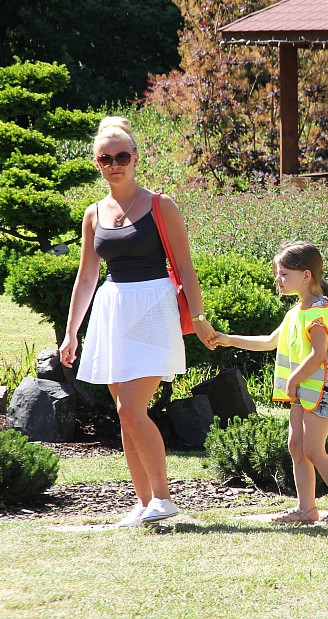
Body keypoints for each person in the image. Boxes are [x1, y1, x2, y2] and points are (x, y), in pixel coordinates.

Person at [60, 116, 217, 527]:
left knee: (132, 407)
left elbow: (184, 266)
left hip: (154, 307)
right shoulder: (93, 214)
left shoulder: (161, 205)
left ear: (135, 158)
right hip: (112, 308)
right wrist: (72, 331)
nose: (115, 163)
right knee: (123, 409)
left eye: (122, 155)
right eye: (106, 158)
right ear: (97, 163)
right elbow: (87, 276)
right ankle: (144, 502)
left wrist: (198, 317)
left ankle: (163, 498)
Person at [213, 242, 328, 526]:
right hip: (303, 393)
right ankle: (306, 510)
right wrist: (229, 338)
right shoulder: (297, 311)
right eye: (278, 274)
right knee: (297, 446)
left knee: (313, 450)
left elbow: (319, 354)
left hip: (321, 391)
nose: (277, 280)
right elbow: (271, 341)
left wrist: (293, 380)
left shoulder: (318, 312)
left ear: (306, 276)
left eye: (284, 274)